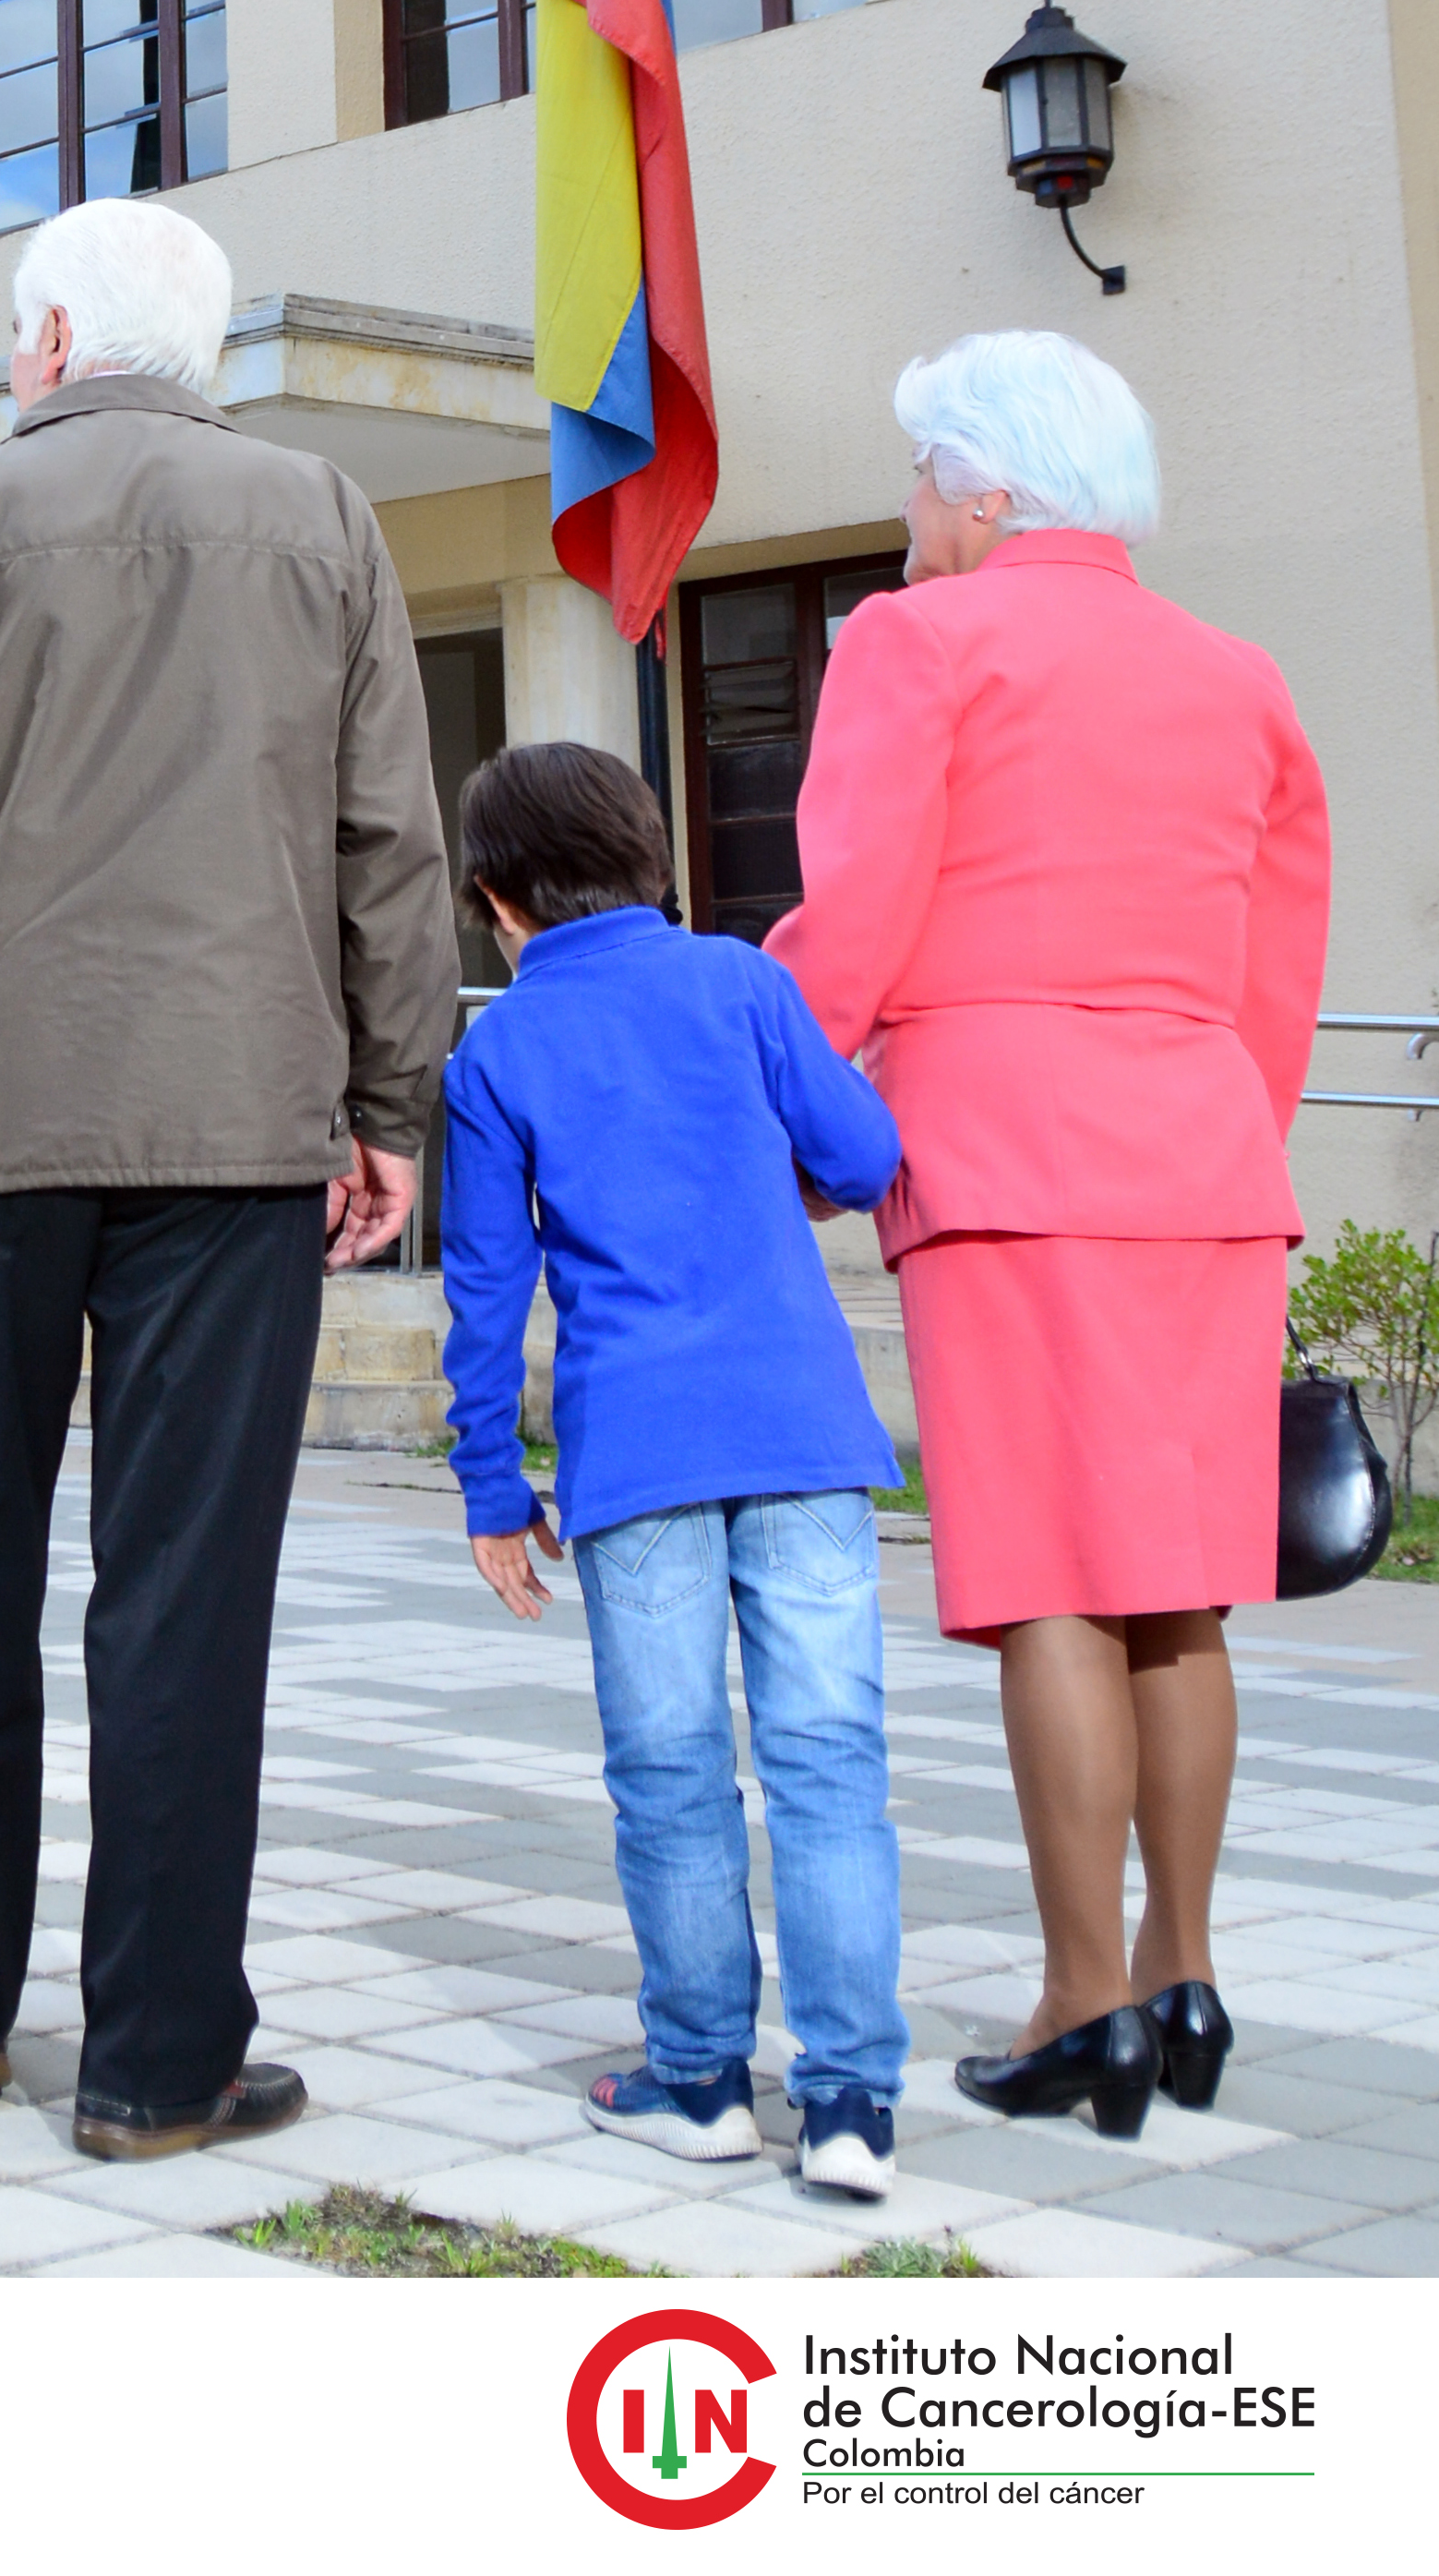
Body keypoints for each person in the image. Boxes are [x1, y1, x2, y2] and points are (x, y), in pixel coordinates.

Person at [0, 197, 462, 2160]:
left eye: (16, 329)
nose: (13, 359)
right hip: (236, 1125)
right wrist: (389, 1102)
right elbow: (388, 849)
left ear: (61, 341)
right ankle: (161, 2062)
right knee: (183, 1593)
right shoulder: (326, 518)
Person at [770, 332, 1328, 2139]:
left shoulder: (917, 644)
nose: (910, 508)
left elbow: (853, 912)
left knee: (1051, 1588)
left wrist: (785, 1109)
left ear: (990, 487)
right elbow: (1277, 964)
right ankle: (1183, 1970)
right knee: (1181, 1585)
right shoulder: (1239, 677)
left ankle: (1080, 1999)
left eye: (924, 474)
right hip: (1204, 1157)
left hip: (1010, 1158)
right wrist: (1214, 1125)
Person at [443, 741, 908, 2201]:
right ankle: (846, 2107)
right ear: (651, 859)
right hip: (801, 1436)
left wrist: (487, 1484)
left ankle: (699, 2076)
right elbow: (865, 1147)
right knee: (828, 1765)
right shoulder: (741, 984)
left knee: (671, 1775)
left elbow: (481, 1288)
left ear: (492, 901)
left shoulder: (496, 1053)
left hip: (632, 1455)